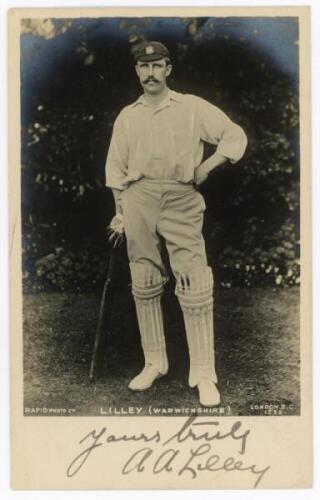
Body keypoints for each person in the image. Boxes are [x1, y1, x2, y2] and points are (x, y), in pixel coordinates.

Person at [105, 41, 247, 406]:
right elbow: (116, 172)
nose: (149, 73)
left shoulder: (192, 107)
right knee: (145, 280)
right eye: (143, 66)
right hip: (138, 198)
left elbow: (234, 136)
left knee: (194, 280)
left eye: (157, 65)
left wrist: (206, 167)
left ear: (168, 68)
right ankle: (155, 362)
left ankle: (203, 374)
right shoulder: (128, 116)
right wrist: (121, 212)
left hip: (182, 197)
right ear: (137, 71)